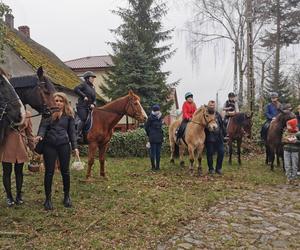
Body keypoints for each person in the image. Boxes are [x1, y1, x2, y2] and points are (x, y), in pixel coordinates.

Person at [36, 92, 79, 210]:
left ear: (64, 103)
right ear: (53, 102)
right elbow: (43, 127)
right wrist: (40, 135)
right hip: (49, 145)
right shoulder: (47, 114)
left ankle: (66, 196)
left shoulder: (69, 115)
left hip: (64, 145)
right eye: (56, 100)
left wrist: (75, 147)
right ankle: (48, 199)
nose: (58, 103)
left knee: (65, 172)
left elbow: (72, 133)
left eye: (61, 101)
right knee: (49, 172)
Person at [0, 111, 35, 206]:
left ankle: (19, 195)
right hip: (7, 143)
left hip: (20, 144)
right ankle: (9, 196)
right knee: (7, 171)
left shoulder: (27, 113)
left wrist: (33, 148)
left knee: (19, 171)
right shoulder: (4, 112)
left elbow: (29, 132)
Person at [74, 71, 97, 140]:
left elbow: (95, 98)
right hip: (82, 106)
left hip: (89, 107)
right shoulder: (83, 84)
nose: (93, 79)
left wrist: (93, 104)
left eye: (93, 78)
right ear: (87, 78)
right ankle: (77, 134)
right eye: (92, 77)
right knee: (83, 118)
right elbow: (76, 89)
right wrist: (84, 96)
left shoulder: (93, 88)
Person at [205, 100, 226, 175]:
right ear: (208, 106)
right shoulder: (205, 114)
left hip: (219, 137)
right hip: (210, 138)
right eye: (211, 105)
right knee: (209, 153)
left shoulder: (217, 114)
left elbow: (221, 124)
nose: (212, 107)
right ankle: (211, 169)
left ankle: (218, 168)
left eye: (213, 106)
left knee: (221, 152)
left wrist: (224, 134)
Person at [144, 104, 164, 171]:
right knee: (153, 154)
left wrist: (162, 135)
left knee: (158, 153)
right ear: (153, 111)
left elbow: (161, 128)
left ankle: (158, 167)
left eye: (158, 110)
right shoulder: (150, 118)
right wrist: (149, 134)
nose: (157, 112)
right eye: (156, 110)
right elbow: (146, 127)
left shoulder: (160, 117)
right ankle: (153, 167)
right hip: (152, 138)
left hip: (159, 137)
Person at [282, 118, 300, 185]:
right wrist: (285, 140)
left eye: (289, 125)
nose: (287, 126)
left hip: (295, 151)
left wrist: (296, 141)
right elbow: (282, 140)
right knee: (287, 165)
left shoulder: (298, 133)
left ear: (293, 125)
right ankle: (288, 178)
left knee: (294, 165)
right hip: (286, 150)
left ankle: (294, 179)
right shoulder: (286, 132)